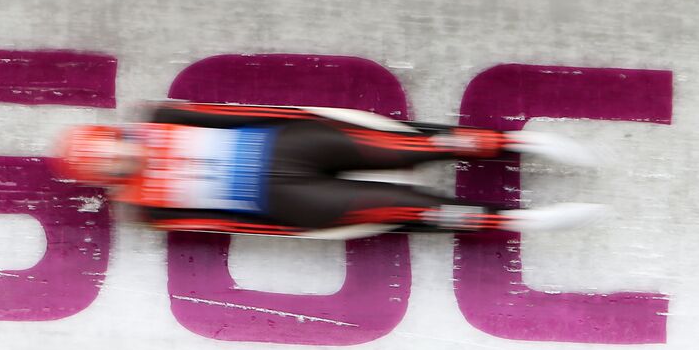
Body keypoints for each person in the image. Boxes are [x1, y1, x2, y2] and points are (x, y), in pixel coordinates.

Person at [50, 102, 604, 237]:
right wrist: (298, 230)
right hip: (289, 203)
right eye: (112, 166)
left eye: (115, 147)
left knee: (413, 148)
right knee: (408, 208)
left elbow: (245, 115)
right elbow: (230, 224)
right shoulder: (145, 207)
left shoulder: (164, 118)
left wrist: (318, 119)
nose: (125, 157)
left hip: (295, 147)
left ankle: (524, 142)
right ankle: (518, 222)